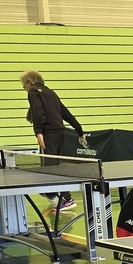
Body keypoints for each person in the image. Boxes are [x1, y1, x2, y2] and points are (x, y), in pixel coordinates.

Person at [21, 70, 87, 210]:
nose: (23, 87)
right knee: (51, 167)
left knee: (51, 168)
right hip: (60, 133)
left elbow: (38, 112)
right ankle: (50, 192)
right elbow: (65, 112)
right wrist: (79, 129)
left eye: (23, 84)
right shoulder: (50, 92)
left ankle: (67, 199)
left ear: (29, 82)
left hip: (49, 134)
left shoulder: (33, 92)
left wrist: (38, 132)